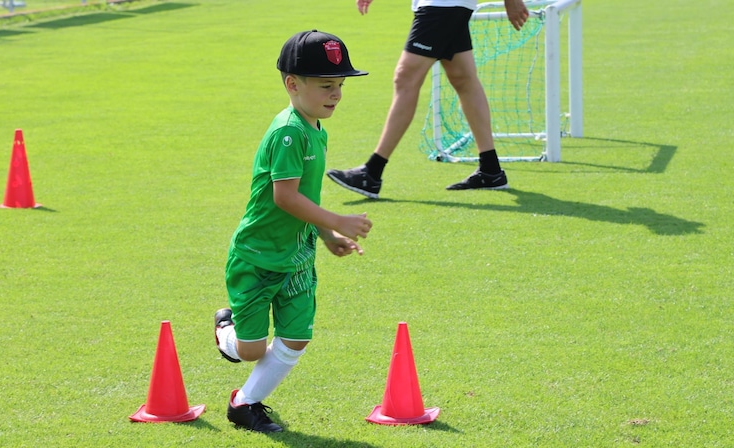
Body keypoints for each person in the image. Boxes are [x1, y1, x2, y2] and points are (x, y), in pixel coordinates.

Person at [214, 30, 372, 433]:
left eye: (339, 85)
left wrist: (326, 234)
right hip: (258, 256)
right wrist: (338, 220)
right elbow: (284, 198)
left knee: (296, 338)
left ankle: (244, 403)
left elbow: (307, 195)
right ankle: (226, 333)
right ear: (292, 84)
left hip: (297, 255)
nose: (336, 93)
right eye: (326, 85)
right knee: (249, 351)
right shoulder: (289, 132)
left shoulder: (316, 127)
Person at [326, 0, 530, 199]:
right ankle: (490, 170)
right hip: (447, 5)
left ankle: (371, 172)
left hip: (442, 5)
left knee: (406, 77)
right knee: (463, 79)